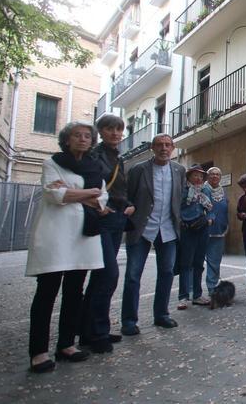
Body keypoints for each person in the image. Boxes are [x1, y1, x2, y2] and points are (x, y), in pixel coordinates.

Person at [26, 122, 107, 373]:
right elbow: (54, 196)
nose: (83, 139)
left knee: (74, 292)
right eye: (77, 135)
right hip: (56, 236)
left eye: (87, 136)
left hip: (83, 238)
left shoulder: (95, 167)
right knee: (47, 293)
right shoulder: (53, 163)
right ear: (67, 139)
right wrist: (88, 193)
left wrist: (73, 191)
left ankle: (66, 345)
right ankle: (38, 351)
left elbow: (101, 201)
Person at [78, 115, 134, 354]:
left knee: (101, 278)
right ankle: (97, 333)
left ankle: (90, 331)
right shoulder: (95, 154)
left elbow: (120, 188)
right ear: (101, 131)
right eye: (110, 129)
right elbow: (91, 184)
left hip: (117, 219)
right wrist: (101, 205)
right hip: (102, 219)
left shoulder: (117, 157)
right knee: (108, 275)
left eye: (119, 129)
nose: (115, 133)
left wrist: (128, 204)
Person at [121, 134, 186, 334]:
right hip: (142, 229)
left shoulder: (179, 170)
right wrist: (130, 210)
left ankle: (161, 315)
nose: (164, 148)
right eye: (159, 145)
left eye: (167, 145)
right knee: (133, 275)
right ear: (152, 148)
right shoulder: (138, 169)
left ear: (173, 148)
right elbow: (127, 197)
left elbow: (180, 199)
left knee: (166, 273)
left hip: (167, 229)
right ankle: (129, 321)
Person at [177, 164, 214, 310]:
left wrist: (210, 219)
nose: (198, 178)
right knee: (186, 264)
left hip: (202, 228)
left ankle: (197, 295)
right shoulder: (183, 190)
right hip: (187, 229)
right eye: (195, 175)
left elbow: (210, 208)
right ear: (189, 176)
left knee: (199, 263)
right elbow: (177, 208)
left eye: (200, 175)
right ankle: (183, 296)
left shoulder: (205, 190)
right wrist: (182, 221)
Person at [205, 167, 229, 298]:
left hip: (219, 231)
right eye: (212, 174)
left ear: (220, 177)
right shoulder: (203, 190)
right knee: (195, 263)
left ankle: (212, 288)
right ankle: (192, 291)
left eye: (217, 174)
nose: (214, 176)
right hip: (202, 231)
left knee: (214, 262)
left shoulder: (224, 192)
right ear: (208, 176)